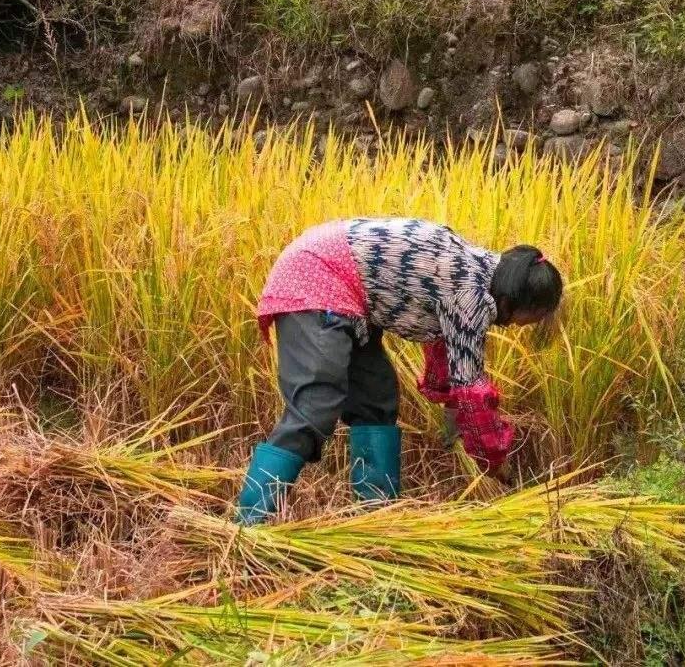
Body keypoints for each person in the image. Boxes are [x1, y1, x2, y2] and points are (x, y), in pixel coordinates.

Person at [235, 216, 563, 525]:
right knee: (315, 406)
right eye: (532, 318)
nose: (525, 327)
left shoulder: (480, 274)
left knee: (376, 401)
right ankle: (250, 523)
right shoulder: (470, 294)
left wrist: (456, 425)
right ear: (519, 301)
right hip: (316, 278)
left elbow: (453, 370)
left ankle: (375, 517)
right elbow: (471, 393)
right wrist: (494, 461)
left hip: (353, 299)